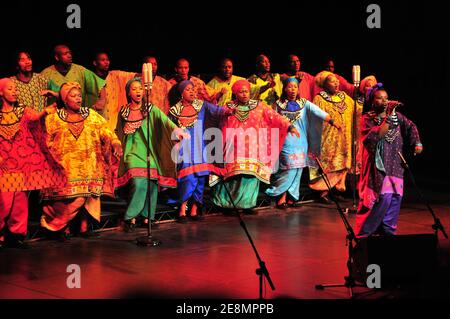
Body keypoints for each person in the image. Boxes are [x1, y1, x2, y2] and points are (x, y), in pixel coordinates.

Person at [40, 82, 123, 240]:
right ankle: (58, 226)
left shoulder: (90, 115)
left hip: (89, 164)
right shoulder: (54, 118)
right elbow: (46, 140)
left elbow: (105, 129)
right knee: (71, 199)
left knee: (87, 196)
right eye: (73, 96)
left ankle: (83, 228)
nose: (78, 99)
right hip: (65, 166)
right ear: (64, 99)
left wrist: (115, 142)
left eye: (79, 95)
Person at [210, 80, 299, 213]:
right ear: (235, 93)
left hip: (253, 148)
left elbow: (275, 116)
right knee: (233, 175)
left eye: (246, 91)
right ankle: (229, 205)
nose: (245, 94)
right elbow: (216, 115)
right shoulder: (228, 106)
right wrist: (226, 112)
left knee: (250, 176)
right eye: (241, 92)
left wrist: (289, 126)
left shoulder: (259, 106)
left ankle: (248, 204)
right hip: (232, 148)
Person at [115, 78, 188, 232]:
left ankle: (148, 216)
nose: (138, 91)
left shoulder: (150, 108)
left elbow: (165, 121)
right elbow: (119, 132)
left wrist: (177, 131)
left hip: (149, 152)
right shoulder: (124, 111)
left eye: (140, 88)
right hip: (132, 152)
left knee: (151, 183)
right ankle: (129, 217)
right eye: (134, 89)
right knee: (139, 182)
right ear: (128, 92)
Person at [0, 78, 62, 248]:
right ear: (1, 92)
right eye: (10, 88)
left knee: (19, 200)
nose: (14, 91)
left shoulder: (22, 110)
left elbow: (34, 118)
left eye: (16, 89)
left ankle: (16, 234)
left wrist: (45, 111)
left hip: (20, 163)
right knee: (4, 201)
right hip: (3, 164)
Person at [355, 84, 422, 237]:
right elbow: (377, 135)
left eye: (386, 98)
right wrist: (390, 114)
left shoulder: (397, 117)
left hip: (395, 166)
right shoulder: (367, 119)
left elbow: (411, 126)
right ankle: (364, 237)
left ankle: (388, 235)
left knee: (394, 199)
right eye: (380, 98)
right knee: (379, 201)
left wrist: (417, 142)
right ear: (372, 101)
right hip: (377, 169)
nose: (384, 101)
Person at [266, 78, 340, 208]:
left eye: (295, 87)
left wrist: (333, 122)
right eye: (290, 87)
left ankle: (292, 198)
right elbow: (272, 119)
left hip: (301, 142)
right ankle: (280, 196)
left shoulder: (304, 103)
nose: (293, 89)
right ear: (284, 89)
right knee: (288, 168)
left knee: (298, 168)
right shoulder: (278, 105)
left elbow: (319, 112)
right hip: (286, 140)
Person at [168, 80, 233, 223]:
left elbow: (217, 111)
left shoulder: (202, 106)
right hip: (184, 149)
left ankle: (194, 210)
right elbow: (169, 128)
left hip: (200, 147)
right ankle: (182, 210)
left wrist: (228, 111)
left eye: (193, 89)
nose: (192, 91)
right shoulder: (174, 111)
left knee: (200, 179)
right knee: (187, 179)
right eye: (188, 89)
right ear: (181, 94)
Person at [309, 71, 358, 203]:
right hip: (328, 138)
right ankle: (323, 192)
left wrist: (362, 98)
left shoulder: (345, 97)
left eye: (337, 80)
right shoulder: (319, 98)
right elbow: (314, 117)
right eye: (332, 81)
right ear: (324, 84)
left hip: (344, 138)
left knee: (342, 163)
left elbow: (356, 109)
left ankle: (334, 191)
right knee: (329, 164)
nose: (336, 83)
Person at [41, 44, 105, 108]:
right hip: (55, 114)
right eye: (65, 54)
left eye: (70, 53)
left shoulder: (80, 70)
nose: (69, 56)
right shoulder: (46, 74)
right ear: (57, 57)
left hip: (78, 114)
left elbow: (99, 84)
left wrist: (102, 100)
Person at [92, 52, 136, 130]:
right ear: (95, 63)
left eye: (107, 60)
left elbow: (132, 76)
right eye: (103, 60)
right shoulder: (91, 79)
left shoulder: (115, 75)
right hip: (98, 124)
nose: (106, 62)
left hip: (115, 124)